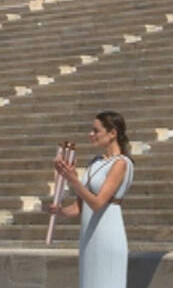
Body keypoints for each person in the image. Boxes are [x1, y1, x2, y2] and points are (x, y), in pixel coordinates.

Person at [50, 111, 135, 288]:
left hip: (108, 234)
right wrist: (60, 210)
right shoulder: (94, 162)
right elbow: (79, 207)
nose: (91, 134)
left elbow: (98, 203)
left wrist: (73, 179)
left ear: (112, 133)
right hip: (89, 237)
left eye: (96, 131)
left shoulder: (121, 163)